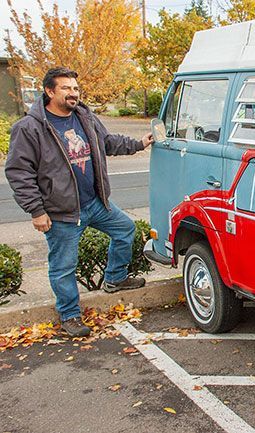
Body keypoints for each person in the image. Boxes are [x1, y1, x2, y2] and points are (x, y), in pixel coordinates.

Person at [5, 67, 154, 337]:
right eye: (66, 88)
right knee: (63, 266)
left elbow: (107, 142)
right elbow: (19, 172)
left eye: (75, 88)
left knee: (125, 230)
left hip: (95, 203)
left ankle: (115, 278)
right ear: (50, 91)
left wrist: (139, 143)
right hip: (61, 212)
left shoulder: (84, 116)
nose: (73, 93)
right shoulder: (30, 128)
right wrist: (36, 211)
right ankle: (70, 315)